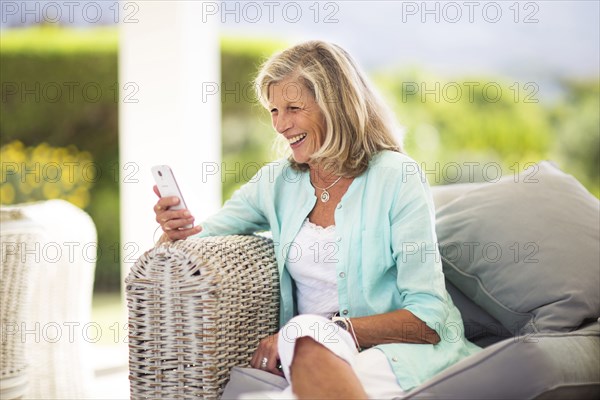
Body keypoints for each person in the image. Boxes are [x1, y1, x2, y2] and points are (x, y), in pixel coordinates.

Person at [153, 40, 481, 399]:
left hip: (399, 355)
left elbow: (428, 318)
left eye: (293, 108)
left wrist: (327, 330)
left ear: (335, 107)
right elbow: (202, 240)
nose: (280, 124)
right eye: (274, 110)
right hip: (312, 357)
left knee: (304, 334)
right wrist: (174, 231)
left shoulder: (396, 176)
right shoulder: (277, 183)